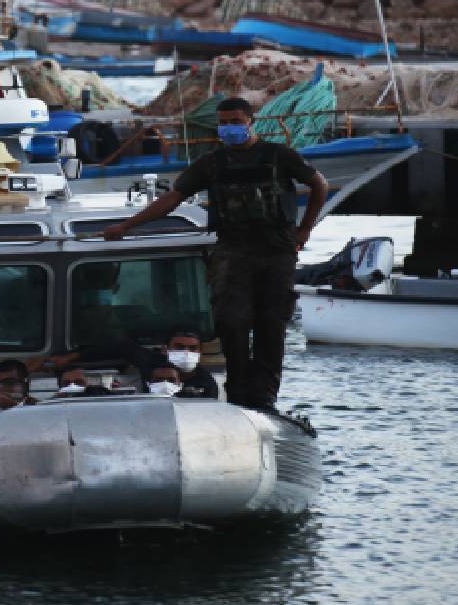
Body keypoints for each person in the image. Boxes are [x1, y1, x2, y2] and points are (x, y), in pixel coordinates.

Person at [102, 97, 328, 412]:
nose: (229, 128)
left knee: (271, 325)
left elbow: (319, 185)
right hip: (232, 250)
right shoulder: (211, 163)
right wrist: (126, 226)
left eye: (235, 121)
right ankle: (237, 393)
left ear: (250, 122)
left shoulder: (279, 156)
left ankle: (264, 397)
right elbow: (173, 199)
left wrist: (305, 230)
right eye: (223, 123)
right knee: (232, 323)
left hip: (276, 251)